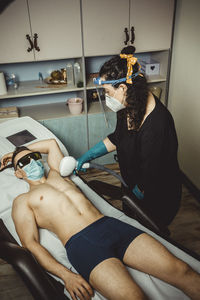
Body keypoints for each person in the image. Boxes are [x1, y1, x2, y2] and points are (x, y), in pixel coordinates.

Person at [1, 139, 200, 300]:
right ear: (18, 173)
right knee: (133, 297)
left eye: (34, 158)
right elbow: (30, 244)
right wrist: (66, 276)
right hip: (82, 244)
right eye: (24, 163)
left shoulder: (57, 173)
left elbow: (51, 144)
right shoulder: (22, 201)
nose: (32, 162)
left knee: (181, 270)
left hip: (111, 226)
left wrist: (18, 153)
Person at [76, 45, 181, 228]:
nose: (106, 96)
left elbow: (151, 178)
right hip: (132, 185)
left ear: (123, 87)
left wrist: (134, 198)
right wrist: (89, 155)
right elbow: (119, 138)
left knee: (150, 236)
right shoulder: (129, 105)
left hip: (156, 196)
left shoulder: (157, 126)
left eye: (107, 92)